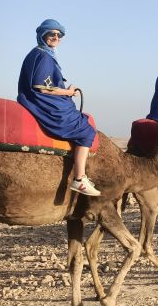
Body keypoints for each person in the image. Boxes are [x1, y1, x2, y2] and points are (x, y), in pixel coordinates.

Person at [17, 19, 101, 195]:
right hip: (42, 102)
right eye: (51, 34)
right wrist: (67, 93)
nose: (56, 37)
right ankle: (79, 179)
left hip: (37, 98)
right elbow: (42, 87)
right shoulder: (43, 56)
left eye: (59, 35)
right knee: (86, 131)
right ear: (43, 35)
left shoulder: (39, 53)